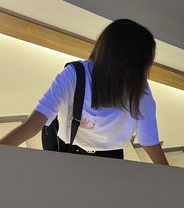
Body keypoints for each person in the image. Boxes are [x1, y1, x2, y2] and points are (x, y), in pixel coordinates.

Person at [0, 19, 168, 165]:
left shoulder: (140, 90)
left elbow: (148, 140)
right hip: (66, 146)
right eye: (146, 62)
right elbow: (33, 124)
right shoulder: (75, 74)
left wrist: (173, 180)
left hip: (110, 154)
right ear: (127, 62)